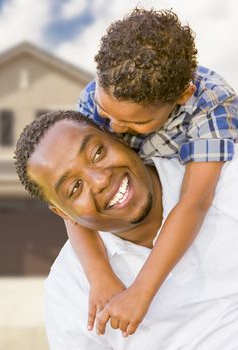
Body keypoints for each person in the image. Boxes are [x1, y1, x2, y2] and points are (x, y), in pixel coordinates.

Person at [67, 8, 238, 336]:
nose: (114, 127)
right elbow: (67, 195)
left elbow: (195, 201)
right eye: (106, 112)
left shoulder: (212, 104)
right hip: (135, 196)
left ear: (181, 96)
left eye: (135, 122)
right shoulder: (95, 98)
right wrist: (99, 274)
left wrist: (141, 291)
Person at [14, 111, 238, 349]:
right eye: (75, 187)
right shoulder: (69, 289)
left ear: (119, 137)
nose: (100, 180)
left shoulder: (225, 178)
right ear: (64, 214)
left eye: (97, 153)